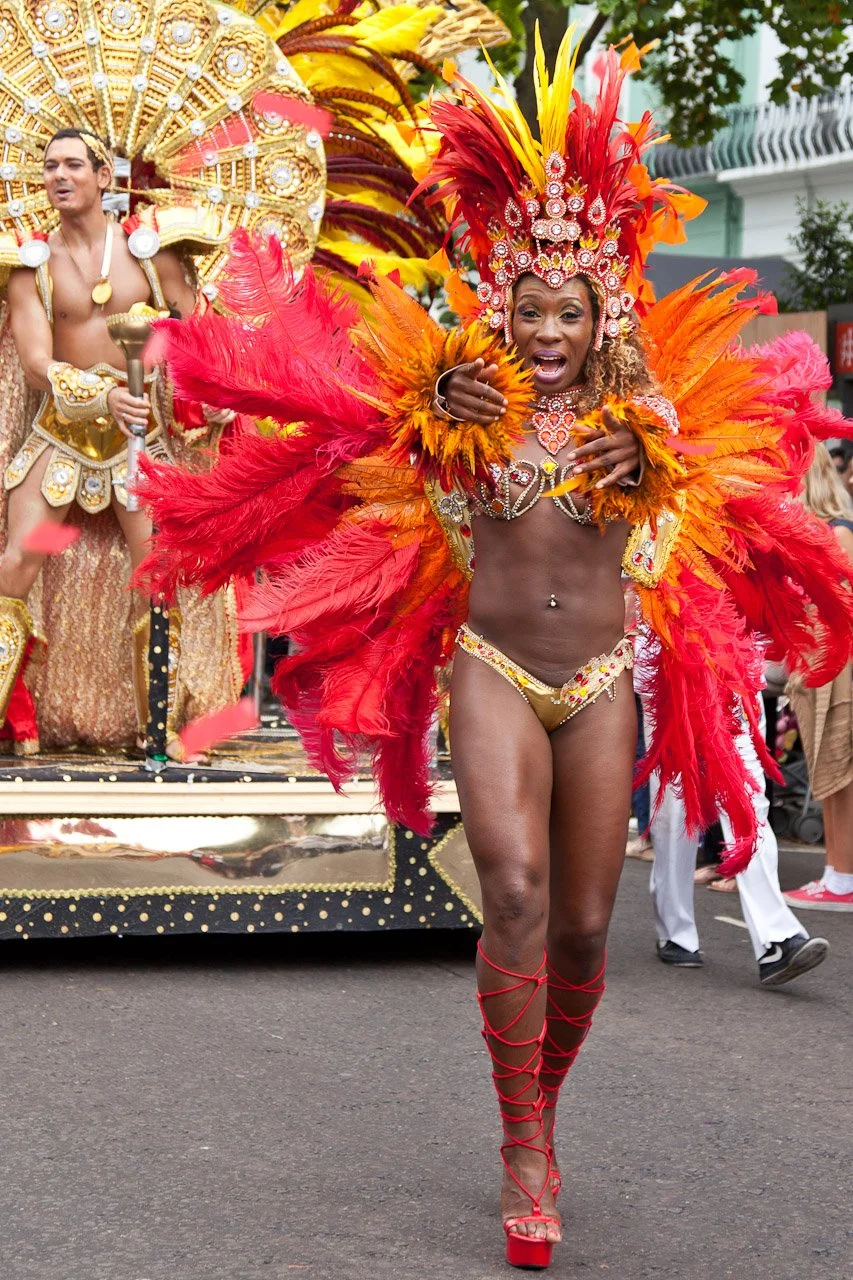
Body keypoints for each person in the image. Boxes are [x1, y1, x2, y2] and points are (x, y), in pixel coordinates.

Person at [137, 31, 853, 1271]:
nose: (546, 329)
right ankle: (523, 1141)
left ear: (599, 312)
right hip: (494, 667)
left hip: (602, 680)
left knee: (580, 924)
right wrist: (426, 413)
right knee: (511, 887)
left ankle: (547, 1099)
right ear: (504, 305)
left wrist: (659, 466)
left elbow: (708, 509)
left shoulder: (650, 421)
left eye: (569, 309)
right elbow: (350, 440)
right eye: (528, 306)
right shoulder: (456, 390)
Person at [0, 129, 245, 755]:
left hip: (142, 443)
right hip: (60, 435)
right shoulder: (31, 267)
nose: (60, 175)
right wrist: (100, 395)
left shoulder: (150, 254)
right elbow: (34, 363)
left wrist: (212, 395)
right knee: (15, 565)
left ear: (103, 177)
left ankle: (156, 725)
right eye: (50, 166)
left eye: (74, 165)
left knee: (157, 576)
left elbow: (201, 335)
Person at [648, 694, 829, 983]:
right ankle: (675, 930)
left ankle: (777, 938)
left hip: (733, 672)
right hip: (670, 667)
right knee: (677, 805)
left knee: (747, 799)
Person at [784, 444, 853, 911]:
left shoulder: (839, 532)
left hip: (839, 667)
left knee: (840, 771)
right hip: (817, 664)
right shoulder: (818, 533)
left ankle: (843, 877)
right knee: (826, 772)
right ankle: (834, 871)